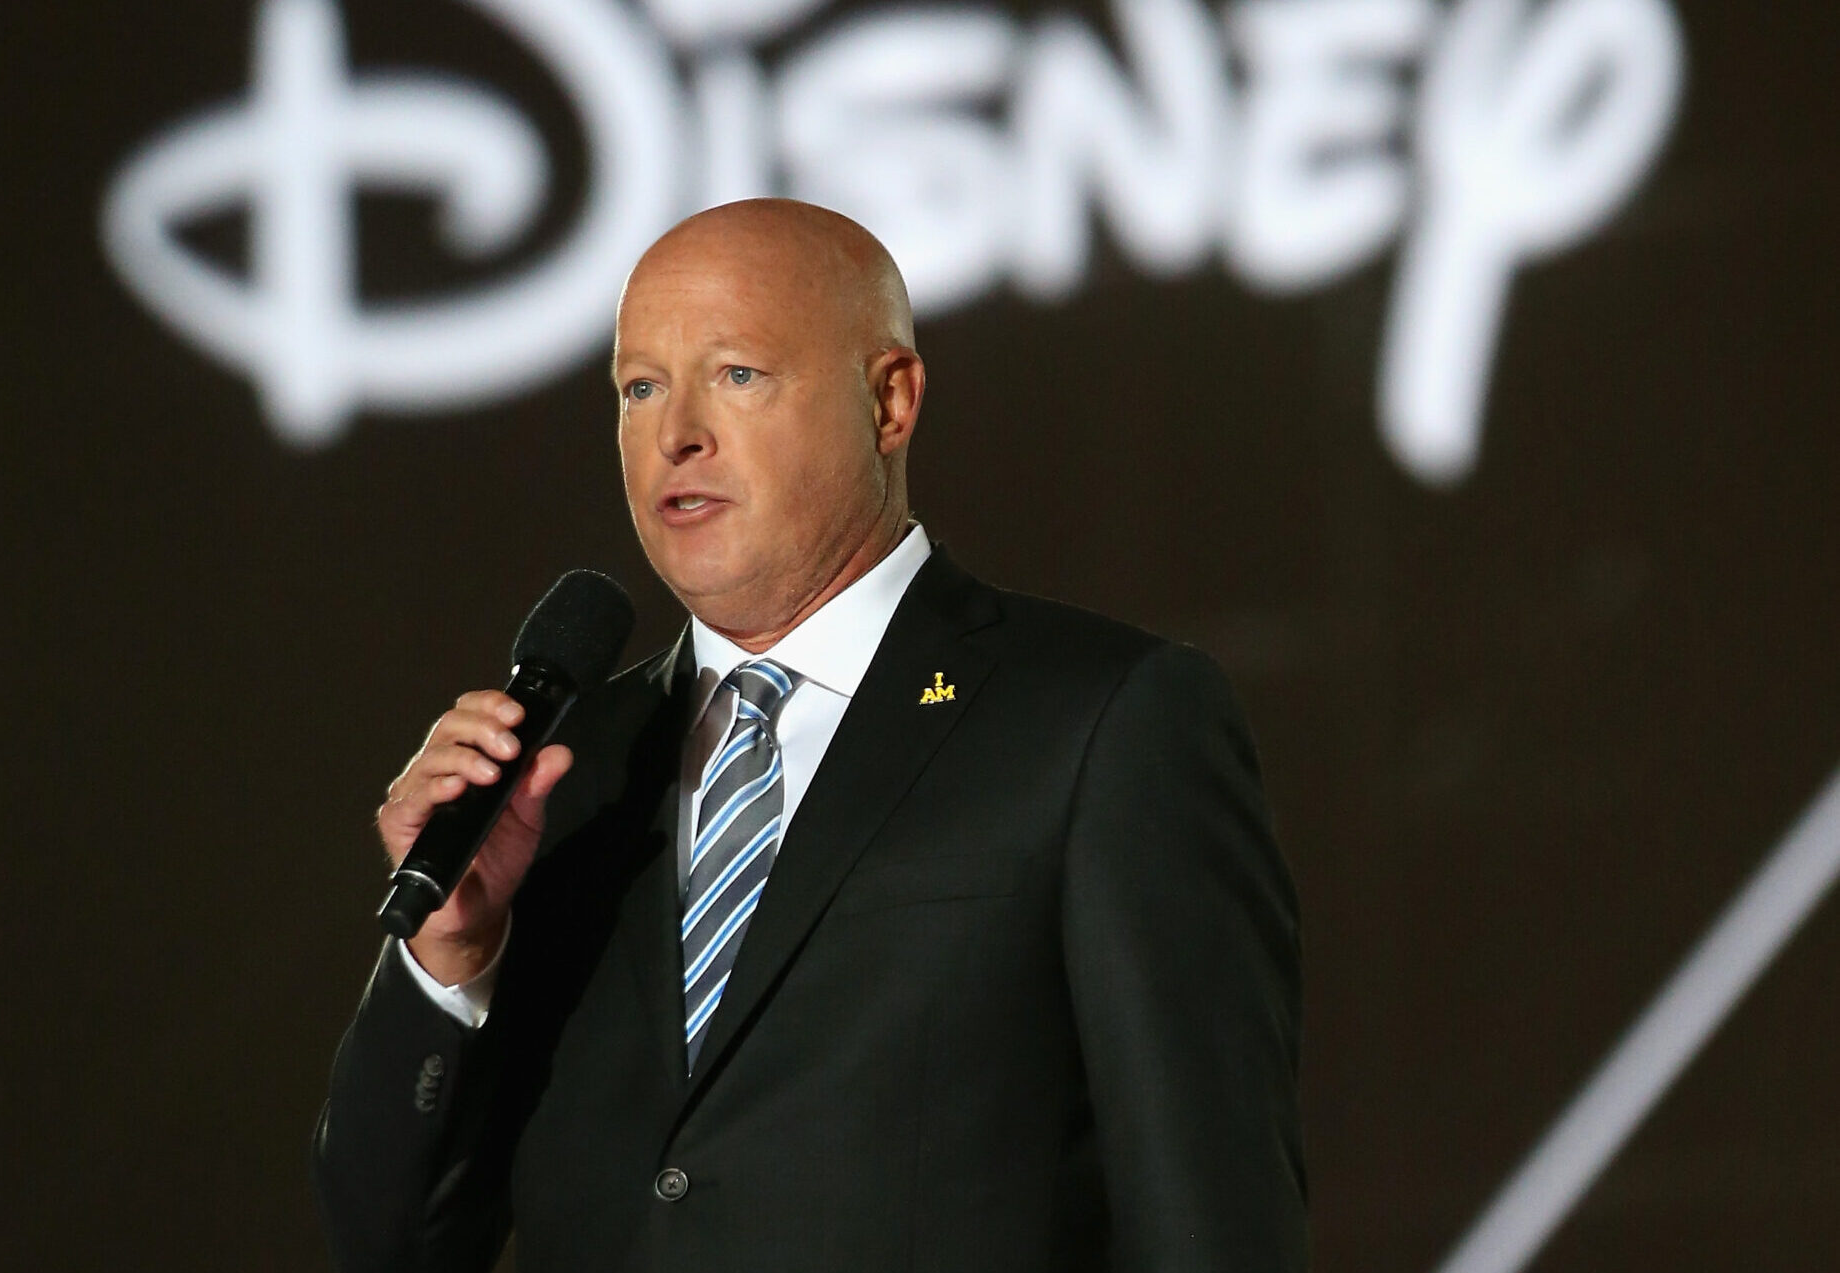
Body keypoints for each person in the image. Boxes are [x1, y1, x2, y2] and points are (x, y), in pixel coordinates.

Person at [314, 198, 1305, 1272]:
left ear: (888, 401)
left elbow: (1214, 1221)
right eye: (639, 387)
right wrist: (450, 952)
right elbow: (387, 1241)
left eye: (736, 374)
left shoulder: (1100, 721)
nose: (674, 433)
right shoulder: (567, 772)